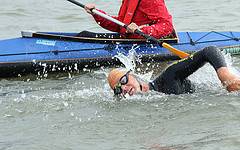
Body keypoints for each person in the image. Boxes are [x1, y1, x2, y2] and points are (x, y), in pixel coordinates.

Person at [107, 46, 240, 97]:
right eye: (119, 89)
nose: (124, 88)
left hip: (216, 93)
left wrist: (225, 75)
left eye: (123, 80)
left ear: (132, 74)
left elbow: (209, 51)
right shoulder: (147, 103)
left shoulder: (168, 77)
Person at [84, 0, 174, 39]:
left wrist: (141, 30)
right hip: (127, 39)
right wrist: (96, 13)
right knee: (84, 35)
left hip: (140, 44)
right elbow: (120, 25)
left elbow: (167, 26)